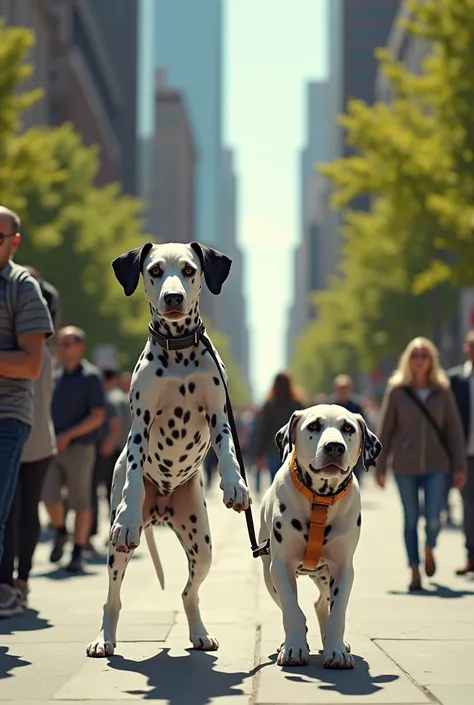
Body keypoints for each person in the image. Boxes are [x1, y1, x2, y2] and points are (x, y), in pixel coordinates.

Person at [376, 337, 466, 591]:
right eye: (415, 355)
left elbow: (454, 431)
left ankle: (429, 547)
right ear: (408, 360)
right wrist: (380, 467)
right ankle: (414, 569)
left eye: (424, 355)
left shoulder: (442, 390)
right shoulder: (396, 390)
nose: (419, 360)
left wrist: (460, 466)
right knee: (411, 518)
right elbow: (386, 431)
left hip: (438, 464)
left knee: (434, 518)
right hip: (405, 465)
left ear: (431, 360)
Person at [0, 207, 54, 615]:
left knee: (11, 508)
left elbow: (31, 365)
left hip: (8, 416)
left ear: (14, 242)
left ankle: (10, 585)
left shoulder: (22, 288)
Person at [43, 326, 105, 573]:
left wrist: (69, 435)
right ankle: (60, 531)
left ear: (80, 347)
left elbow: (98, 415)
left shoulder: (90, 376)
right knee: (48, 495)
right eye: (61, 343)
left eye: (69, 343)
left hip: (80, 448)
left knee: (80, 500)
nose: (63, 348)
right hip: (51, 448)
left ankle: (78, 552)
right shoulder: (53, 378)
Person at [88, 366, 128, 550]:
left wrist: (107, 445)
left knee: (101, 493)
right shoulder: (123, 397)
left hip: (109, 452)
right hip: (122, 452)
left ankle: (98, 532)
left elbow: (115, 425)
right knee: (116, 495)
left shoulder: (110, 398)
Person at [448, 329, 474, 574]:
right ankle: (471, 555)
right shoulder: (455, 380)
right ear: (466, 349)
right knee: (469, 507)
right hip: (465, 455)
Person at [252, 371, 305, 484]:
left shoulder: (269, 405)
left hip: (273, 449)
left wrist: (259, 454)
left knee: (276, 482)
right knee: (293, 483)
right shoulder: (297, 405)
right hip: (294, 449)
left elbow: (263, 431)